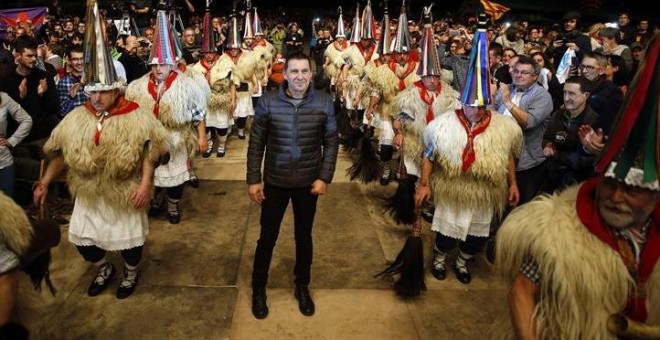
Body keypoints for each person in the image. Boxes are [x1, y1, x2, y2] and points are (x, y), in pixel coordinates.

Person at [494, 33, 660, 339]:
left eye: (634, 190)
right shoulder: (560, 229)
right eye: (610, 183)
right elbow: (522, 291)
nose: (617, 197)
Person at [33, 0, 169, 300]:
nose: (97, 98)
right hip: (89, 191)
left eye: (103, 91)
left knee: (130, 244)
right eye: (92, 91)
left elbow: (152, 148)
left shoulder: (137, 115)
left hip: (125, 189)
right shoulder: (77, 117)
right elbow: (60, 153)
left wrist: (146, 183)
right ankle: (104, 266)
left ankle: (131, 272)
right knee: (84, 243)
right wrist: (43, 183)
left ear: (116, 89)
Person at [416, 14, 522, 284]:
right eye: (470, 105)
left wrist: (512, 183)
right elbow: (428, 154)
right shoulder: (443, 125)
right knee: (447, 234)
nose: (475, 110)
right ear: (462, 102)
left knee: (477, 238)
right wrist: (425, 183)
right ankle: (440, 258)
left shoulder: (503, 127)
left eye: (480, 106)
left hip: (484, 191)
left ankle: (463, 261)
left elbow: (508, 155)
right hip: (454, 188)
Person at [246, 52, 339, 319]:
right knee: (267, 237)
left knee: (304, 236)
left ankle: (302, 285)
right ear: (284, 74)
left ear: (312, 75)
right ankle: (258, 288)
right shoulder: (268, 102)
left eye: (304, 72)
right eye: (294, 72)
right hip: (275, 181)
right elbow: (256, 143)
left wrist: (324, 177)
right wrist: (254, 178)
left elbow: (331, 142)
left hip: (308, 183)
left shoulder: (323, 102)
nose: (299, 77)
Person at [126, 10, 208, 225]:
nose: (158, 69)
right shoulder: (137, 87)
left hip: (177, 138)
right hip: (150, 141)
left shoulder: (188, 86)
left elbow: (198, 114)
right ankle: (157, 198)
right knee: (152, 174)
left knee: (176, 179)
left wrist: (202, 137)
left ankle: (172, 205)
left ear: (171, 64)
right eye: (154, 65)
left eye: (162, 64)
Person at [493, 55, 554, 204]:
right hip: (501, 158)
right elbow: (492, 114)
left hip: (526, 163)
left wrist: (508, 102)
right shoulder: (507, 89)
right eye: (516, 71)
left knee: (520, 206)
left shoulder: (542, 96)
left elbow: (529, 122)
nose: (518, 75)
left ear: (534, 76)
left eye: (524, 73)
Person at [541, 76, 598, 193]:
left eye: (572, 94)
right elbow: (547, 138)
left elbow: (584, 160)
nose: (566, 98)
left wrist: (556, 154)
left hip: (576, 184)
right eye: (564, 93)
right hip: (552, 178)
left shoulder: (594, 121)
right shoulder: (558, 114)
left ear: (586, 95)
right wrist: (547, 146)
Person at [0, 92, 32, 198]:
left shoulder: (3, 97)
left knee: (7, 209)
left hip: (3, 162)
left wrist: (12, 141)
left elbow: (26, 120)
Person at [56, 45, 88, 117]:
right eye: (75, 59)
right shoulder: (63, 83)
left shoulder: (94, 80)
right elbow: (63, 113)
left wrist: (87, 86)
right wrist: (71, 97)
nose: (79, 62)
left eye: (82, 58)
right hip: (75, 123)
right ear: (69, 61)